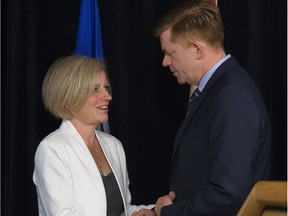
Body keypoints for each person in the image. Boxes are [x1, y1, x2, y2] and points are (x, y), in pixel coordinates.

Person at [153, 0, 271, 215]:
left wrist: (169, 213)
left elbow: (228, 195)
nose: (165, 62)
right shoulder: (219, 89)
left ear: (197, 49)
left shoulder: (232, 96)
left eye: (171, 53)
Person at [33, 55, 156, 216]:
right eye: (95, 89)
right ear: (70, 96)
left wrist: (149, 211)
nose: (107, 96)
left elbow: (121, 209)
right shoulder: (52, 149)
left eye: (106, 87)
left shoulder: (113, 145)